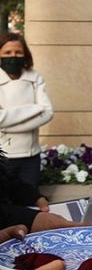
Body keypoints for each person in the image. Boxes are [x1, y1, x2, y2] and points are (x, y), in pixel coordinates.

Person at [0, 33, 53, 210]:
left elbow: (48, 113)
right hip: (4, 156)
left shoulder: (34, 77)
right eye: (7, 52)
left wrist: (8, 121)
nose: (13, 56)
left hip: (30, 157)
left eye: (17, 52)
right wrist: (33, 109)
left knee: (31, 206)